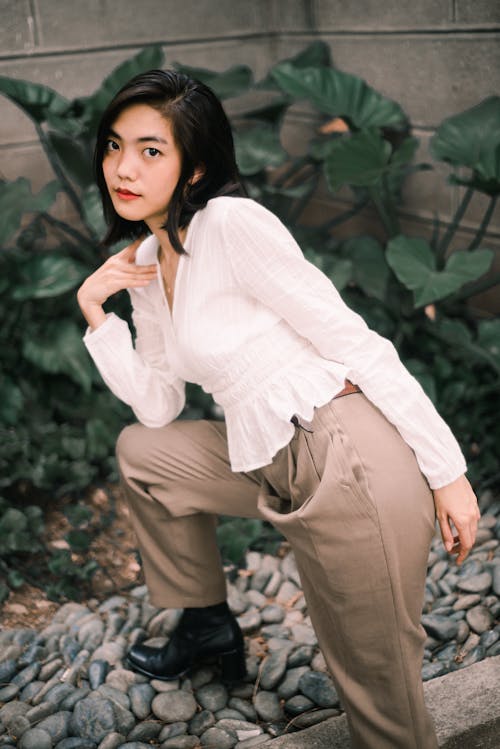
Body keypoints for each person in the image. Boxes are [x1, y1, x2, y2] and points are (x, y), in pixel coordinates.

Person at [77, 69, 480, 749]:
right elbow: (158, 406)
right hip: (263, 455)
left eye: (151, 150)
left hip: (343, 457)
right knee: (144, 454)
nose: (123, 167)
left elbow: (354, 339)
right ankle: (206, 624)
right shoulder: (147, 258)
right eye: (116, 146)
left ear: (196, 166)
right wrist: (96, 312)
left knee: (379, 702)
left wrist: (449, 472)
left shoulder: (233, 224)